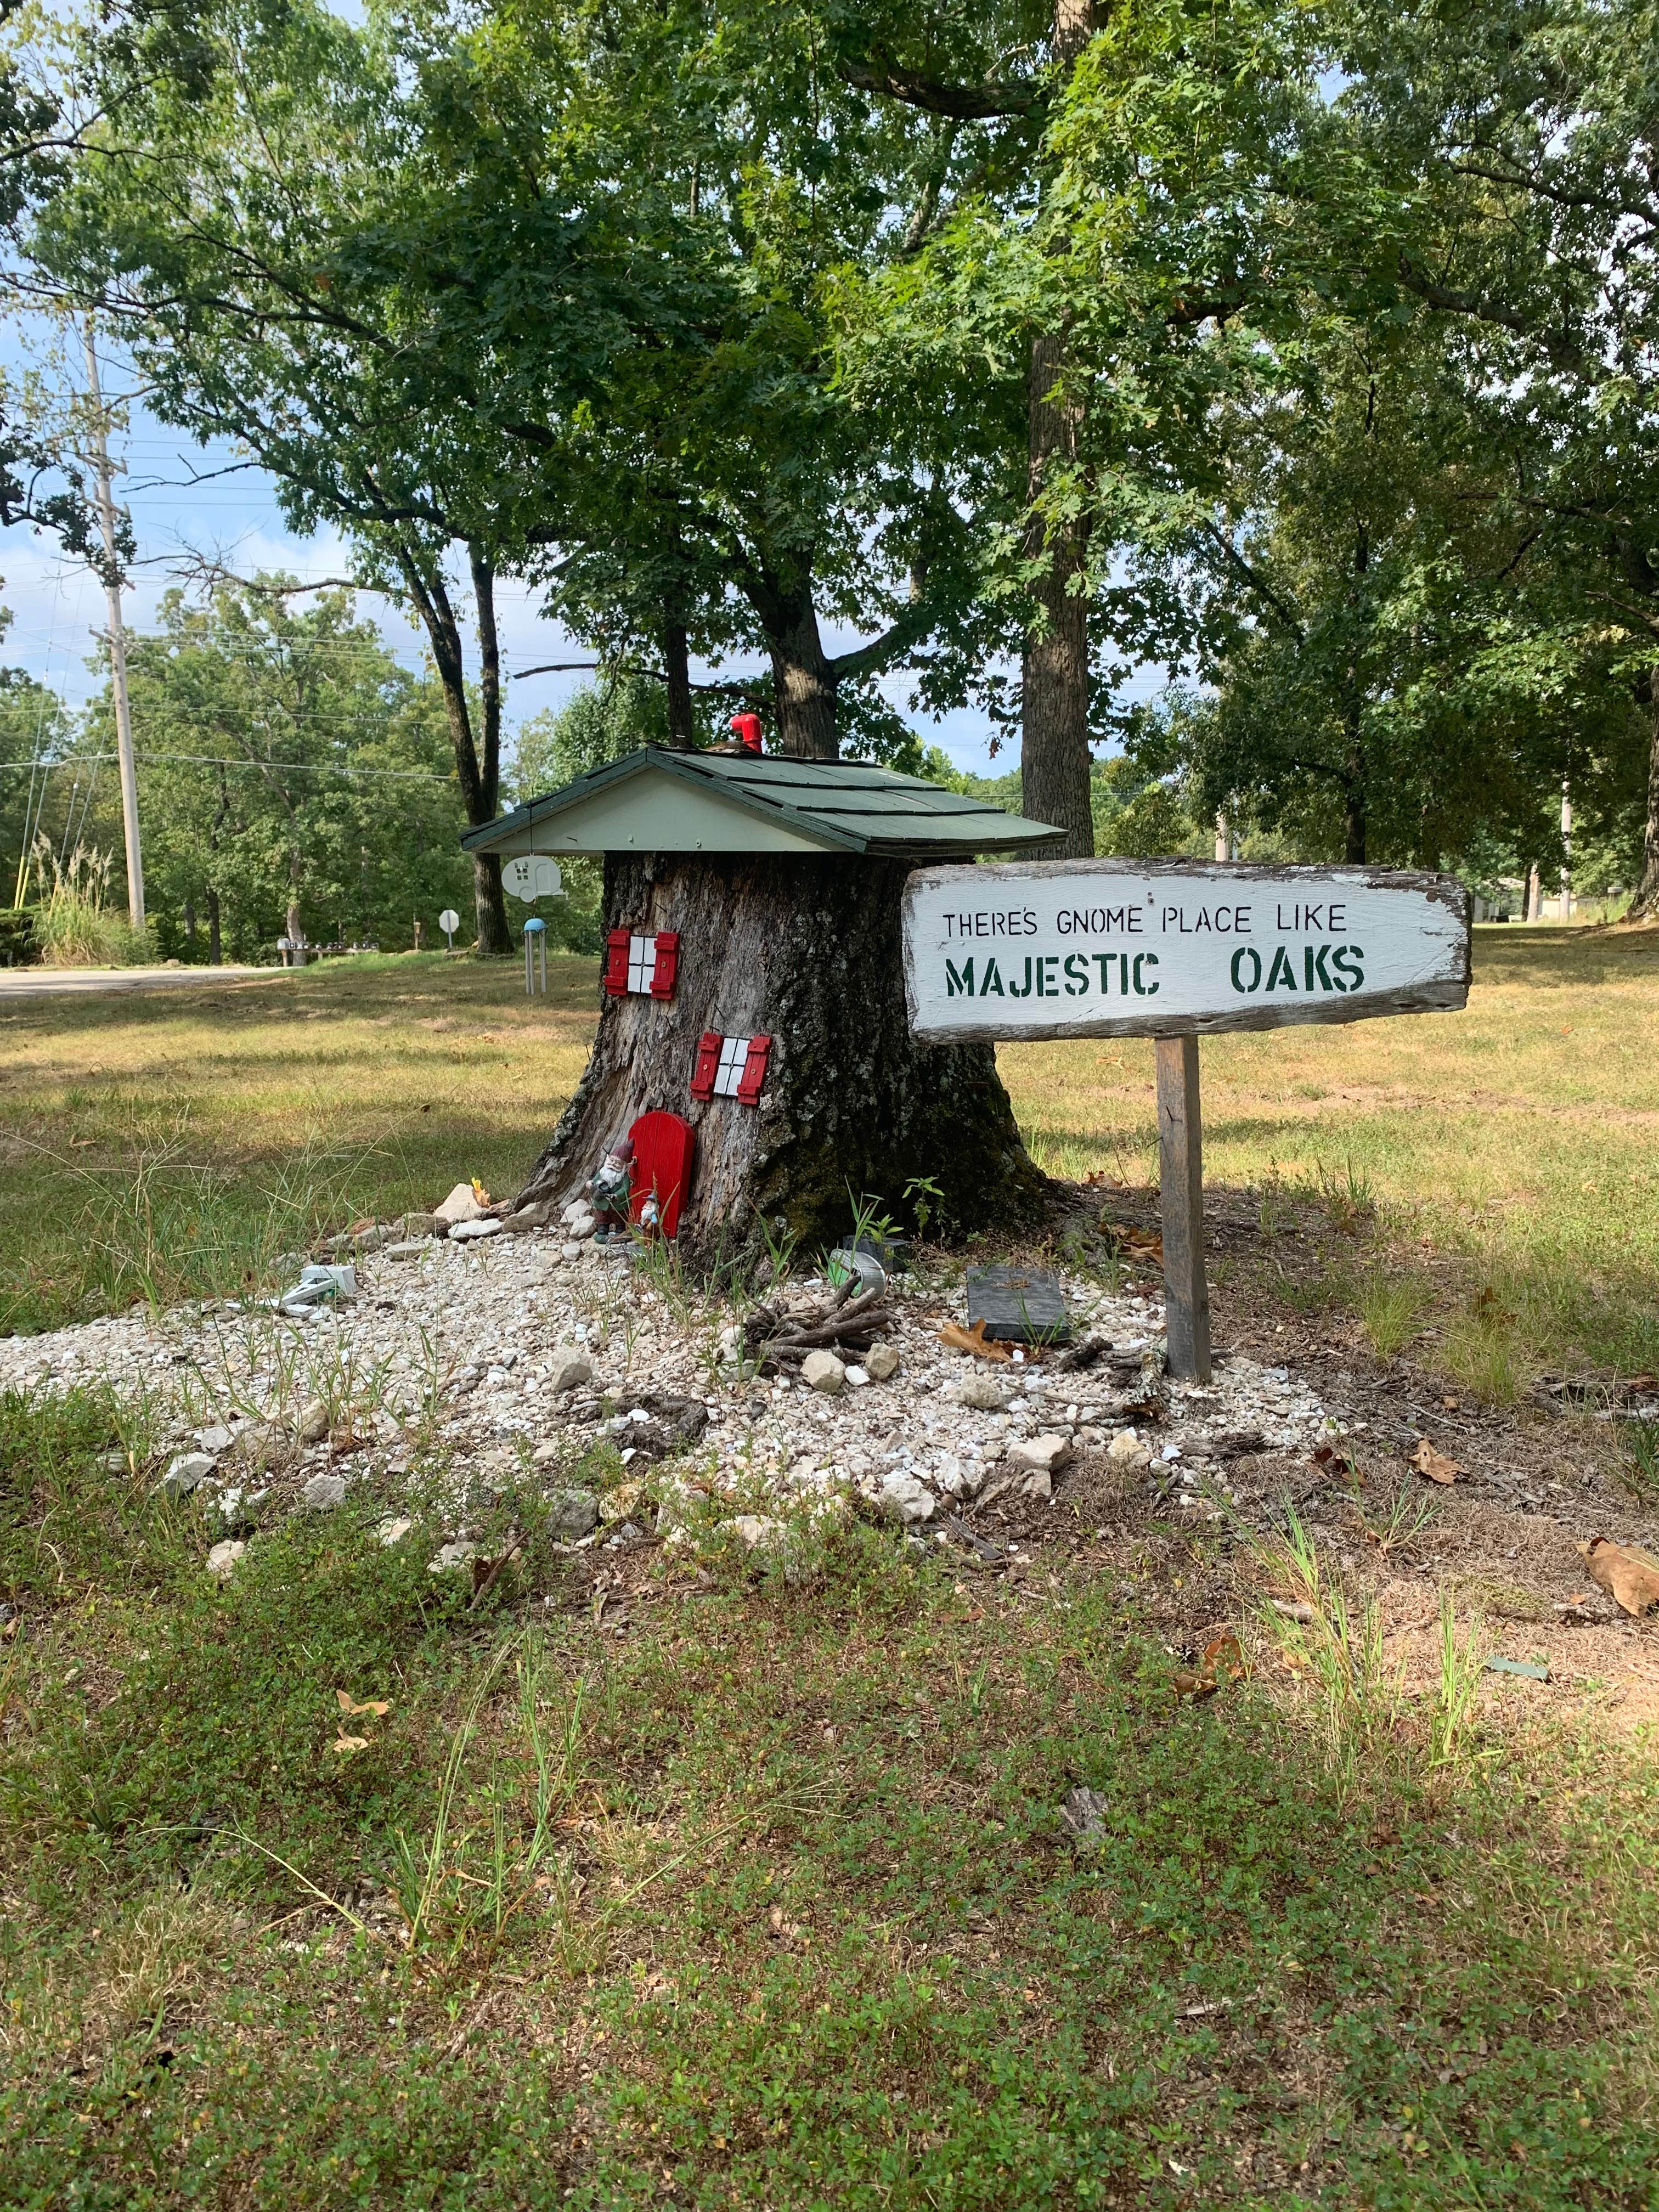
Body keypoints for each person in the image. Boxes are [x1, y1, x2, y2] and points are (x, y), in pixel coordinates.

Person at [587, 1133, 635, 1243]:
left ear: (625, 1166)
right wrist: (591, 1184)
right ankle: (603, 1230)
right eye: (612, 1160)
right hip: (602, 1202)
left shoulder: (623, 1177)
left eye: (618, 1163)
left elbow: (625, 1189)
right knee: (602, 1217)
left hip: (618, 1205)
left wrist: (616, 1195)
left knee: (619, 1218)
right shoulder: (603, 1172)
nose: (613, 1164)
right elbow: (595, 1181)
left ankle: (620, 1231)